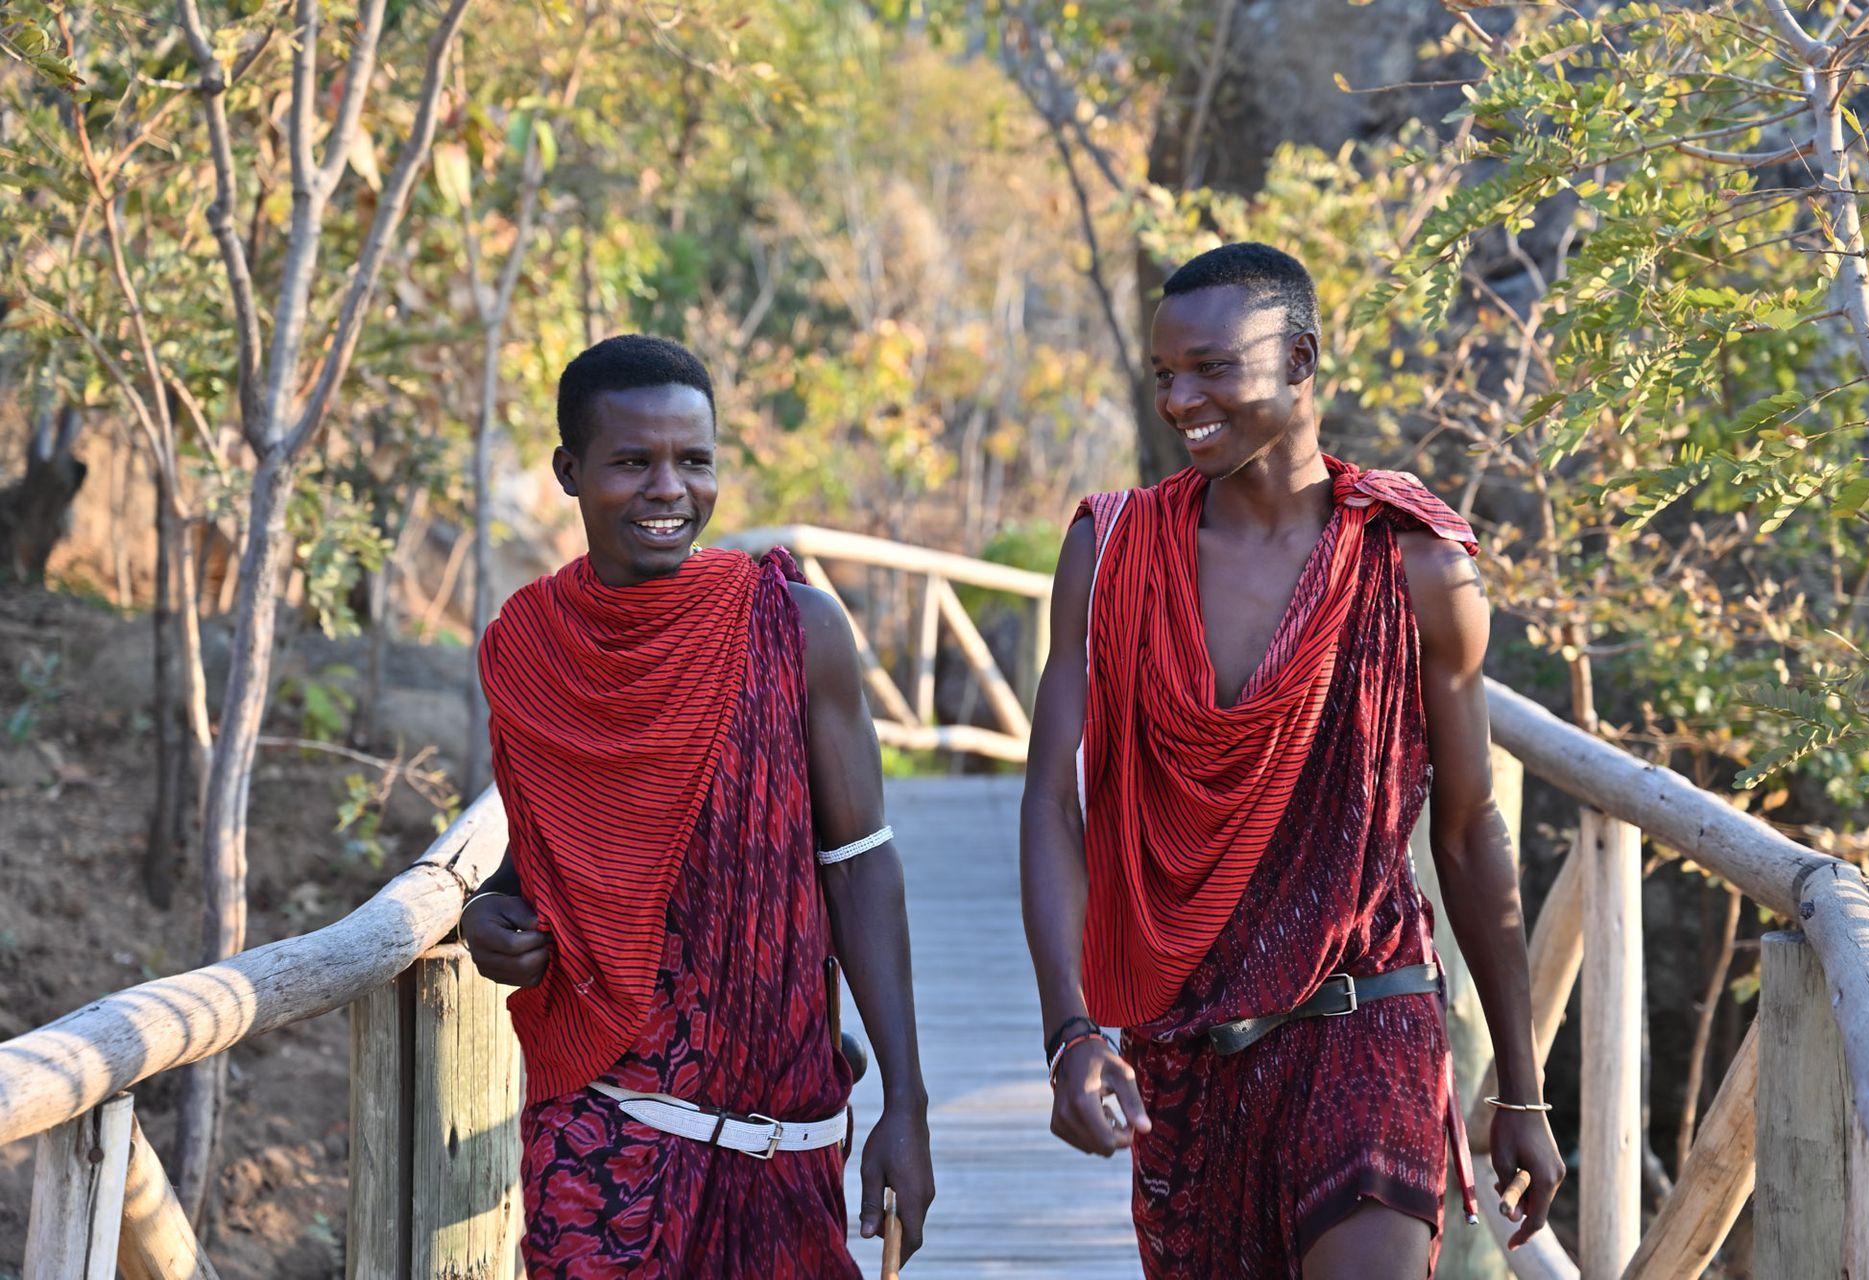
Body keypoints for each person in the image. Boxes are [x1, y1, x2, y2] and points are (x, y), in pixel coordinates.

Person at [1019, 243, 1565, 1278]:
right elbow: (1054, 798)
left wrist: (1525, 1090)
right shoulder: (1111, 550)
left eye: (1214, 367)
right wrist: (1070, 1028)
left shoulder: (1414, 564)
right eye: (1165, 374)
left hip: (1365, 1011)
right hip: (1186, 1051)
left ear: (1302, 358)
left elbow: (1467, 826)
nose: (1182, 399)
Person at [459, 334, 934, 1279]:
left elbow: (860, 861)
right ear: (570, 471)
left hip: (781, 1133)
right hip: (601, 1127)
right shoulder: (526, 648)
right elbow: (536, 859)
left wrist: (908, 1106)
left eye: (694, 461)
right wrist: (486, 919)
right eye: (633, 462)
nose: (669, 488)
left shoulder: (794, 628)